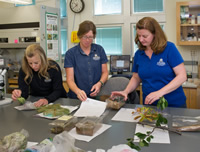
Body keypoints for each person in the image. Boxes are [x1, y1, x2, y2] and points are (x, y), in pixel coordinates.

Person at [111, 17, 187, 108]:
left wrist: (160, 93)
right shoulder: (139, 54)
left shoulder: (169, 48)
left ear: (155, 34)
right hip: (150, 105)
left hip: (173, 104)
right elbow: (136, 77)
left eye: (145, 36)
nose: (141, 39)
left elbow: (182, 76)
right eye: (139, 36)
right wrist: (126, 91)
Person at [64, 20, 109, 101]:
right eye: (85, 37)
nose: (87, 40)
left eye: (90, 37)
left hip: (97, 96)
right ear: (79, 36)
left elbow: (105, 72)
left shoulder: (99, 50)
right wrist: (78, 91)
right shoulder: (70, 54)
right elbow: (70, 79)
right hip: (76, 98)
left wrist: (100, 84)